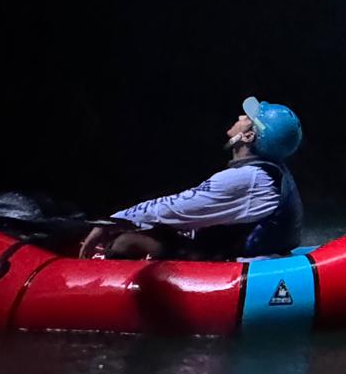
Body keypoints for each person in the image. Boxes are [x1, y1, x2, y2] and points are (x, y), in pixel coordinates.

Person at [79, 97, 304, 261]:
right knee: (152, 225)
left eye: (248, 118)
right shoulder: (269, 170)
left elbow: (175, 209)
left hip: (228, 261)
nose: (241, 116)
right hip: (235, 248)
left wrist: (111, 223)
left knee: (125, 241)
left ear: (248, 136)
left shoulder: (248, 179)